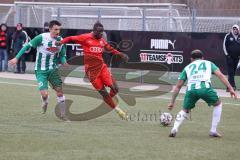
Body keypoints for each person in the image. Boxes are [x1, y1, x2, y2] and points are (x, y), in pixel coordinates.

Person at [56, 21, 129, 120]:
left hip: (102, 68)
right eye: (99, 32)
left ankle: (108, 100)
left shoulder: (101, 40)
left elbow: (108, 48)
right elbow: (71, 38)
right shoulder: (85, 37)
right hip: (91, 73)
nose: (101, 34)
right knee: (103, 92)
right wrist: (61, 42)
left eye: (102, 32)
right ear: (94, 31)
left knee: (115, 88)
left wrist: (120, 54)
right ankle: (118, 110)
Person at [168, 49, 237, 138]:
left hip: (191, 90)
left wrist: (172, 102)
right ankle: (213, 130)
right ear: (203, 58)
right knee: (218, 104)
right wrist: (230, 88)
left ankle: (175, 128)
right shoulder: (209, 63)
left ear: (191, 59)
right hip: (205, 88)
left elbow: (178, 86)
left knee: (185, 110)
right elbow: (220, 75)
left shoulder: (187, 67)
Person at [9, 20, 69, 121]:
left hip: (53, 70)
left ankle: (63, 114)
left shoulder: (60, 40)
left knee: (59, 91)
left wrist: (64, 62)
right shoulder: (41, 37)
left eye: (59, 29)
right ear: (50, 29)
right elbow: (27, 46)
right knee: (44, 94)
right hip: (40, 70)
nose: (58, 31)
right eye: (55, 29)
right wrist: (16, 58)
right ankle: (45, 101)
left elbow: (62, 55)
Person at [223, 24, 240, 91]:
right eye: (234, 29)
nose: (235, 30)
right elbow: (224, 46)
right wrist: (227, 55)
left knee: (232, 72)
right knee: (231, 72)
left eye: (236, 29)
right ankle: (232, 86)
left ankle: (228, 87)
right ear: (232, 29)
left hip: (237, 58)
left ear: (238, 30)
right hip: (229, 57)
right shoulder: (228, 36)